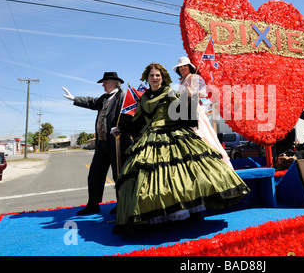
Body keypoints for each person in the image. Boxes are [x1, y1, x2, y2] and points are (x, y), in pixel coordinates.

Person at [113, 63, 249, 234]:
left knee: (183, 174)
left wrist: (191, 99)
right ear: (147, 78)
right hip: (149, 137)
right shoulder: (144, 99)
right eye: (152, 76)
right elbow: (137, 120)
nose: (155, 78)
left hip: (172, 134)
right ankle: (160, 214)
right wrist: (122, 128)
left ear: (163, 78)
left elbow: (182, 112)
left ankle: (188, 213)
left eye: (158, 75)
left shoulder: (170, 92)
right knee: (150, 177)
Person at [62, 72, 132, 215]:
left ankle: (122, 204)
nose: (103, 85)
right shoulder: (104, 99)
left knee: (119, 175)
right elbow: (91, 102)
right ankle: (93, 204)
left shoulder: (123, 97)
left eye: (105, 82)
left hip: (117, 143)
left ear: (114, 82)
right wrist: (74, 98)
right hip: (102, 144)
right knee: (95, 174)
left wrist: (121, 128)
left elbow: (129, 116)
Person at [173, 56, 233, 169]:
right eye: (180, 67)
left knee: (202, 135)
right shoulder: (182, 81)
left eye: (184, 66)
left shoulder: (194, 77)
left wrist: (193, 93)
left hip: (195, 111)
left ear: (189, 67)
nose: (182, 68)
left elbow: (204, 92)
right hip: (183, 112)